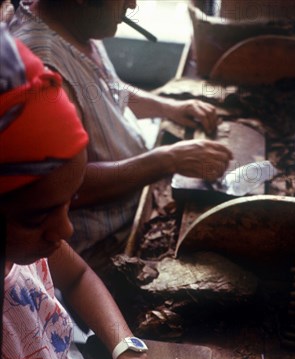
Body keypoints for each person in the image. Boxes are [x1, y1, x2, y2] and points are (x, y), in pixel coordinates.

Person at [0, 26, 218, 359]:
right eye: (38, 216)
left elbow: (74, 273)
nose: (65, 231)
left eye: (69, 202)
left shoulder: (27, 245)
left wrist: (128, 356)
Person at [9, 0, 233, 267]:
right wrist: (167, 161)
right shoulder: (44, 68)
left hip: (134, 194)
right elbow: (68, 187)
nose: (132, 4)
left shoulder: (76, 25)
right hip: (104, 243)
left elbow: (107, 90)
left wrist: (170, 108)